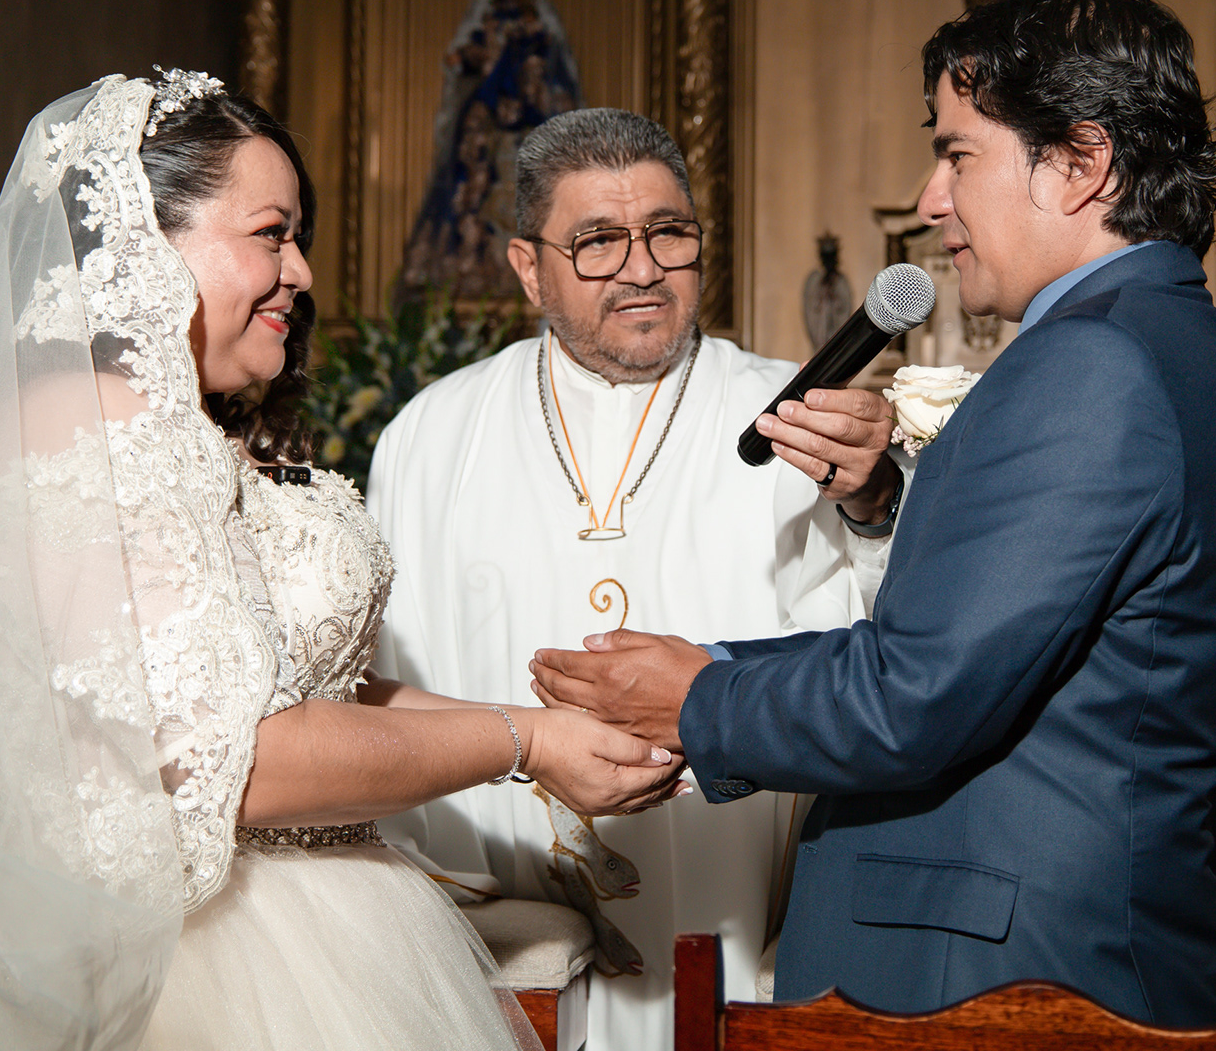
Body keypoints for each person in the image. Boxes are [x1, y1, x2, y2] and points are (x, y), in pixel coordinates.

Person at [0, 72, 681, 1050]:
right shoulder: (87, 428)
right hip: (175, 963)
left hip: (307, 925)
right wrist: (524, 743)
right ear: (145, 238)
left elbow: (299, 686)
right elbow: (237, 759)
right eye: (271, 234)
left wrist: (550, 729)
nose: (301, 270)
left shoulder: (183, 431)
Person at [531, 0, 1216, 1027]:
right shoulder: (1165, 333)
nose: (930, 198)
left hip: (1016, 967)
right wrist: (712, 663)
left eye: (959, 154)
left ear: (1082, 161)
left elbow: (915, 696)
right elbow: (976, 641)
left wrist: (697, 699)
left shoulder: (1094, 360)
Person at [367, 106, 901, 1051]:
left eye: (668, 233)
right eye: (598, 241)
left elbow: (895, 650)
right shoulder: (432, 438)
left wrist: (875, 501)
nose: (643, 267)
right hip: (512, 948)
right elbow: (382, 687)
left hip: (739, 917)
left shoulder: (797, 413)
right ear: (528, 266)